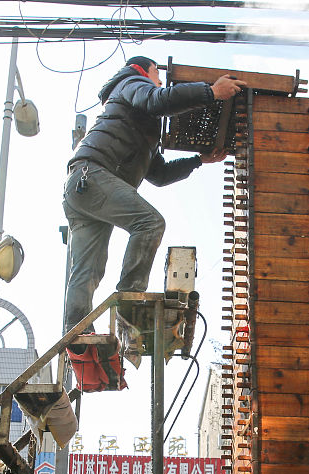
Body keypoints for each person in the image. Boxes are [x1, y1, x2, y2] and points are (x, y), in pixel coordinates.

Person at [62, 56, 247, 333]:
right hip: (92, 175)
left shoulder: (139, 123)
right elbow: (158, 99)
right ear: (147, 70)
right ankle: (129, 301)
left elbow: (158, 175)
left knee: (88, 270)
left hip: (84, 187)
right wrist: (211, 92)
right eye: (158, 77)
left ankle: (76, 334)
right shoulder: (131, 82)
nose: (160, 83)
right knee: (149, 223)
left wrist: (199, 161)